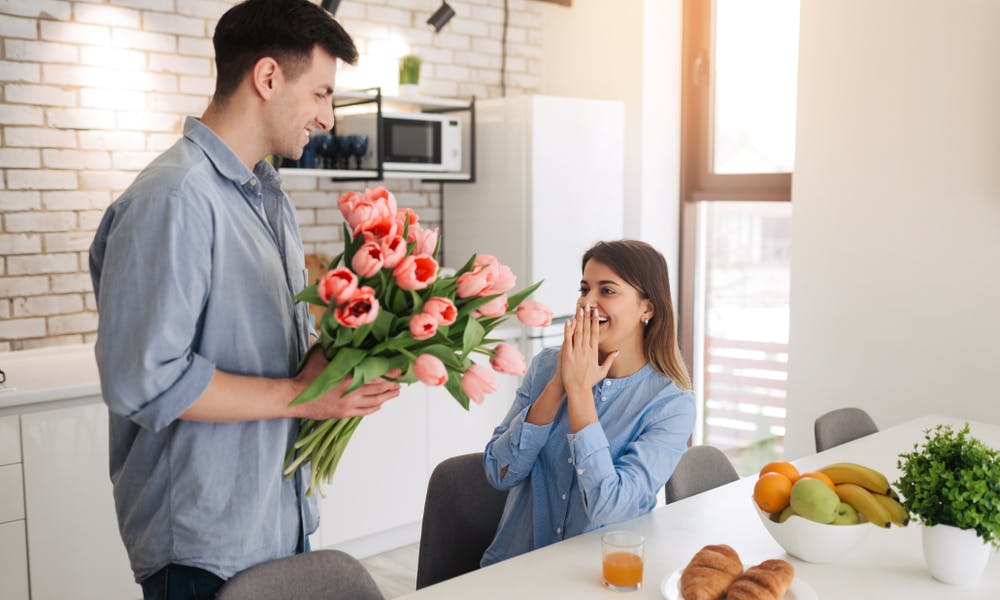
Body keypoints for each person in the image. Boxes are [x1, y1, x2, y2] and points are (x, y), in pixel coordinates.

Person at [88, 1, 400, 598]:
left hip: (273, 520)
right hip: (204, 547)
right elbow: (143, 381)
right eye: (322, 94)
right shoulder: (174, 199)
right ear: (267, 78)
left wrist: (343, 364)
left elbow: (258, 344)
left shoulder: (267, 196)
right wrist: (303, 398)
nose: (329, 118)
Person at [481, 240, 696, 565]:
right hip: (513, 571)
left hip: (593, 579)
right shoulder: (544, 368)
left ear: (647, 308)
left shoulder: (671, 406)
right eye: (584, 289)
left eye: (607, 291)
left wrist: (580, 393)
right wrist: (558, 383)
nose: (587, 302)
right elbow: (499, 473)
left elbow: (610, 507)